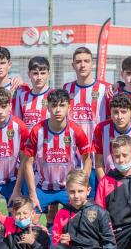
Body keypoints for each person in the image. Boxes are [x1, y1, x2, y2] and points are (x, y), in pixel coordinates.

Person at [21, 89, 92, 227]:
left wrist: (81, 183)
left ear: (69, 107)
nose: (57, 110)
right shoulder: (37, 130)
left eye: (62, 105)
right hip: (42, 187)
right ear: (47, 107)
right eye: (54, 105)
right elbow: (28, 163)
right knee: (28, 223)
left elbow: (87, 159)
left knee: (79, 223)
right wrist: (32, 193)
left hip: (67, 187)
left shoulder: (76, 130)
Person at [50, 170, 116, 249]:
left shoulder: (100, 212)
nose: (76, 195)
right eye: (72, 192)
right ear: (67, 191)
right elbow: (55, 239)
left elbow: (110, 242)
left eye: (80, 191)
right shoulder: (62, 213)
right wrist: (61, 241)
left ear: (88, 190)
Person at [63, 47, 112, 193]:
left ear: (92, 64)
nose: (82, 65)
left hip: (98, 154)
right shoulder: (67, 88)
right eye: (78, 62)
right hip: (73, 154)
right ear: (73, 65)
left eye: (86, 61)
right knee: (73, 199)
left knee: (100, 198)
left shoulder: (106, 88)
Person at [93, 94, 131, 181]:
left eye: (123, 112)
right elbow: (99, 162)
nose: (119, 117)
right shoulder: (101, 129)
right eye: (115, 112)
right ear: (110, 112)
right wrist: (104, 185)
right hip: (110, 180)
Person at [13, 56, 52, 130]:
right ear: (29, 74)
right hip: (28, 141)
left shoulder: (54, 95)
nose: (39, 77)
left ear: (48, 74)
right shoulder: (22, 96)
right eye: (35, 73)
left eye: (43, 73)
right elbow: (18, 122)